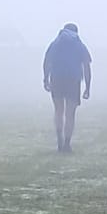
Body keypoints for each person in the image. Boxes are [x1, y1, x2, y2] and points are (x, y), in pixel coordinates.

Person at [42, 23, 92, 152]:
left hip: (56, 79)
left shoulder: (55, 43)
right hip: (73, 80)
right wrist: (87, 87)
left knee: (58, 110)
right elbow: (86, 66)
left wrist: (46, 79)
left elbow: (47, 61)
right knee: (70, 113)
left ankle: (59, 139)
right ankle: (67, 144)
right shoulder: (79, 45)